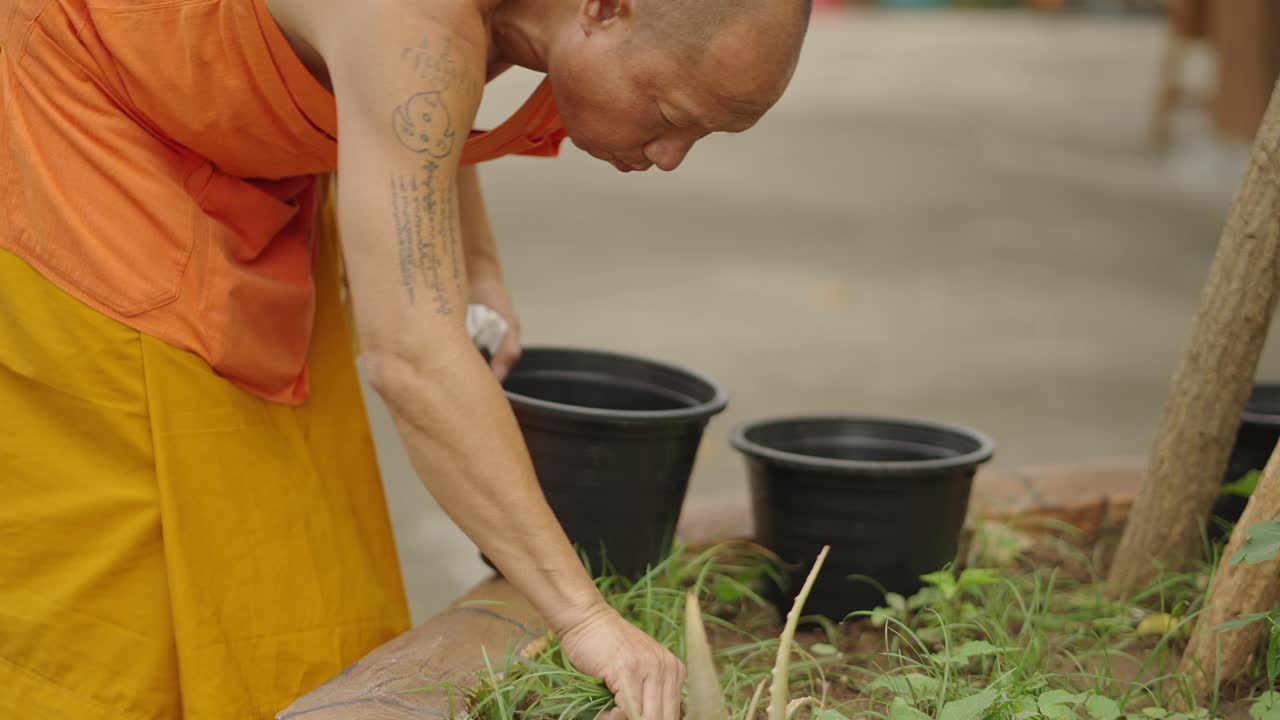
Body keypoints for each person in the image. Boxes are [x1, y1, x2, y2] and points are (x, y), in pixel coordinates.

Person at [0, 0, 809, 716]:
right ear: (605, 8)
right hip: (87, 125)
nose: (670, 156)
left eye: (706, 133)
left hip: (240, 150)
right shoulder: (408, 19)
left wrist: (477, 260)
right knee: (140, 537)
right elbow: (411, 357)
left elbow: (424, 102)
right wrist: (586, 619)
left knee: (290, 513)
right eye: (670, 112)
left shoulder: (484, 25)